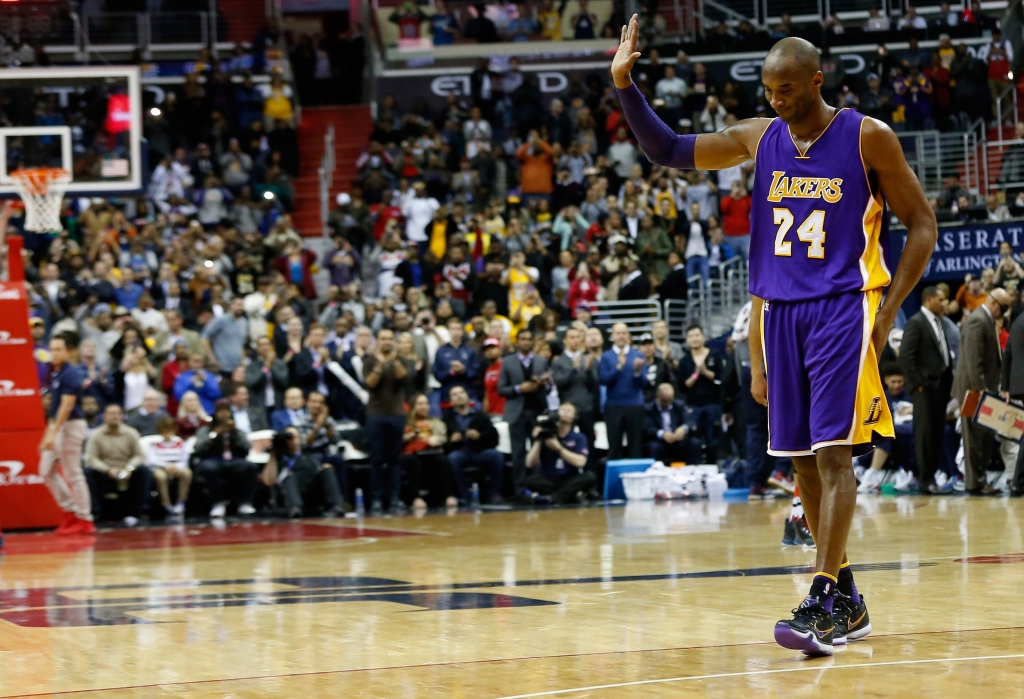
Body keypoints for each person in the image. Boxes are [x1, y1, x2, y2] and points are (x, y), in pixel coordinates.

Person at [611, 25, 936, 654]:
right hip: (782, 311)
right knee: (802, 463)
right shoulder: (760, 137)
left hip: (843, 306)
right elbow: (668, 150)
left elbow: (922, 225)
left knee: (838, 456)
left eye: (787, 90)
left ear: (817, 80)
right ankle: (845, 596)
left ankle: (819, 598)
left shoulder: (867, 136)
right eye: (769, 91)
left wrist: (890, 309)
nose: (777, 100)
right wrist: (625, 85)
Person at [953, 288, 1011, 495]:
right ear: (994, 303)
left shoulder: (986, 320)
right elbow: (972, 359)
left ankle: (979, 480)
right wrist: (981, 390)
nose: (1004, 313)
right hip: (973, 390)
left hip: (982, 388)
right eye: (1003, 308)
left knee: (983, 437)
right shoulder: (978, 320)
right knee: (974, 439)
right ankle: (974, 483)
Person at [39, 332, 96, 535]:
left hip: (71, 424)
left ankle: (85, 519)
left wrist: (53, 433)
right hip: (57, 424)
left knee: (73, 472)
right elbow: (54, 407)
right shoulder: (54, 372)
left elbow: (67, 405)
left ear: (69, 351)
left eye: (58, 349)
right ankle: (70, 512)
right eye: (51, 349)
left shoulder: (70, 373)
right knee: (46, 470)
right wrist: (49, 432)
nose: (53, 353)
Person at [900, 286, 954, 494]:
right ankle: (926, 480)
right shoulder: (916, 323)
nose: (944, 303)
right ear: (929, 299)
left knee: (936, 435)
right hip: (925, 389)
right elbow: (906, 357)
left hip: (940, 388)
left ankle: (932, 477)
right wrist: (919, 383)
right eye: (941, 300)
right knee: (924, 435)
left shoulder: (938, 322)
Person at [363, 328, 417, 515]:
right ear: (377, 341)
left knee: (395, 459)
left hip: (396, 414)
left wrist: (393, 360)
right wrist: (379, 364)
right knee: (377, 459)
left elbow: (405, 378)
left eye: (389, 339)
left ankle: (395, 498)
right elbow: (370, 383)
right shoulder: (369, 361)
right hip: (375, 414)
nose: (386, 342)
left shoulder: (402, 361)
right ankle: (377, 499)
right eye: (383, 338)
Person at [498, 328, 551, 491]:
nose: (526, 342)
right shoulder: (507, 361)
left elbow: (549, 388)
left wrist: (543, 384)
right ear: (517, 341)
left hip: (537, 411)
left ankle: (539, 486)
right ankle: (519, 488)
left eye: (529, 339)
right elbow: (501, 389)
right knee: (518, 452)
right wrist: (519, 389)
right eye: (523, 339)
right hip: (517, 412)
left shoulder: (541, 361)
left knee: (539, 450)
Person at [84, 404, 152, 527]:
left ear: (122, 416)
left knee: (144, 471)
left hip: (127, 469)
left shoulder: (131, 433)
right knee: (88, 472)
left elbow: (139, 455)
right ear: (104, 417)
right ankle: (96, 512)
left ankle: (141, 511)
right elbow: (91, 458)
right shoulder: (96, 434)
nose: (115, 416)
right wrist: (108, 470)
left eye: (117, 413)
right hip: (105, 471)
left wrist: (129, 468)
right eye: (111, 413)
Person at [192, 406, 260, 519]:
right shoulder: (205, 430)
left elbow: (247, 448)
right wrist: (214, 436)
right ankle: (217, 503)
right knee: (208, 468)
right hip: (213, 459)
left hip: (234, 459)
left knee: (249, 467)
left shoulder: (237, 430)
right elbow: (198, 449)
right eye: (221, 412)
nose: (224, 415)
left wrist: (235, 434)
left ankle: (245, 502)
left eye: (226, 412)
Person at [263, 427, 344, 518]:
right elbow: (268, 481)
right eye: (288, 437)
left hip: (309, 493)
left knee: (327, 470)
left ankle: (336, 507)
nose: (292, 440)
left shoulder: (309, 456)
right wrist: (273, 452)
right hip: (287, 497)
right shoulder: (278, 459)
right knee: (288, 475)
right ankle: (295, 508)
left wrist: (323, 469)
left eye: (294, 437)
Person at [444, 385, 504, 504]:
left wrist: (480, 436)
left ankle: (493, 494)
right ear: (450, 401)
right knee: (452, 459)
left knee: (497, 456)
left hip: (480, 450)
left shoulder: (480, 416)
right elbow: (443, 444)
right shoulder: (447, 419)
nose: (459, 396)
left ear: (467, 396)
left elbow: (494, 438)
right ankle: (463, 496)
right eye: (454, 394)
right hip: (460, 451)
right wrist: (451, 441)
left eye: (461, 392)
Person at [524, 402, 595, 504]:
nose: (565, 412)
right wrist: (538, 440)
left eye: (569, 410)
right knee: (530, 481)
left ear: (574, 417)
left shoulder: (579, 437)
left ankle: (553, 498)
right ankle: (568, 496)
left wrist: (559, 449)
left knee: (589, 477)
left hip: (570, 478)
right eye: (563, 410)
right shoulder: (547, 434)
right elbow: (529, 463)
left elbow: (581, 463)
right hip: (549, 479)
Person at [551, 325, 599, 463]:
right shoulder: (558, 361)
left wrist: (589, 370)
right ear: (565, 340)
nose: (576, 340)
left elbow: (594, 385)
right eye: (572, 337)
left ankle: (591, 480)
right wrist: (574, 369)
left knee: (589, 445)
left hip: (586, 408)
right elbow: (560, 383)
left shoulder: (588, 359)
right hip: (567, 409)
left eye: (578, 337)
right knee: (566, 443)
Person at [599, 323, 647, 460]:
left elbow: (643, 383)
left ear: (629, 336)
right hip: (613, 405)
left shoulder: (638, 355)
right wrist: (619, 367)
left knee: (635, 447)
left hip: (635, 405)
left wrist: (637, 371)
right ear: (612, 336)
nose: (621, 336)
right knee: (614, 448)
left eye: (624, 333)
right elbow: (604, 380)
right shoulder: (606, 356)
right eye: (618, 333)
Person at [401, 394, 458, 509]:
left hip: (430, 452)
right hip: (410, 454)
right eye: (420, 404)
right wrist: (409, 436)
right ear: (413, 406)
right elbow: (396, 440)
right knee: (413, 462)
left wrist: (437, 439)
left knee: (442, 460)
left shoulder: (436, 422)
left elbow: (443, 437)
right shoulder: (404, 423)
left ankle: (449, 496)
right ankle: (416, 498)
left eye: (426, 403)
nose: (425, 406)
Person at [677, 325, 723, 464]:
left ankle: (712, 468)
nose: (694, 339)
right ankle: (694, 470)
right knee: (693, 440)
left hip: (713, 404)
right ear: (687, 340)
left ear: (703, 337)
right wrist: (696, 375)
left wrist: (705, 372)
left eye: (697, 335)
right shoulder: (684, 361)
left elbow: (721, 379)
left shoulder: (715, 355)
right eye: (691, 336)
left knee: (712, 440)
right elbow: (682, 386)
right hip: (693, 406)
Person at [145, 416, 193, 520]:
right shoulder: (155, 445)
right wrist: (165, 465)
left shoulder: (180, 443)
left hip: (177, 466)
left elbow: (185, 459)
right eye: (164, 432)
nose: (166, 434)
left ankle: (181, 502)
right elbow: (151, 460)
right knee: (160, 477)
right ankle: (167, 504)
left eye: (169, 431)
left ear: (174, 431)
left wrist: (176, 466)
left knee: (187, 473)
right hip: (161, 467)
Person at [644, 383, 700, 464]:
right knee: (653, 447)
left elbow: (691, 421)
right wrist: (662, 434)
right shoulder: (649, 409)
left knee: (694, 443)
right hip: (660, 442)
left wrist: (683, 428)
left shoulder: (679, 405)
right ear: (657, 397)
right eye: (665, 401)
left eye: (670, 400)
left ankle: (693, 470)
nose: (668, 404)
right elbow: (647, 428)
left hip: (677, 440)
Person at [433, 317, 481, 405]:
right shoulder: (441, 351)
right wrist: (450, 372)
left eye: (458, 329)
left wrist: (464, 370)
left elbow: (476, 372)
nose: (456, 332)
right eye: (453, 329)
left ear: (462, 331)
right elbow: (436, 374)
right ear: (449, 331)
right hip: (446, 395)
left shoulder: (469, 351)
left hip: (468, 392)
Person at [637, 332, 674, 403]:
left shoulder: (663, 364)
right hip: (640, 403)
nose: (647, 347)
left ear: (655, 346)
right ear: (639, 348)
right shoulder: (635, 365)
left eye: (650, 344)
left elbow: (671, 383)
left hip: (660, 403)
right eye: (644, 345)